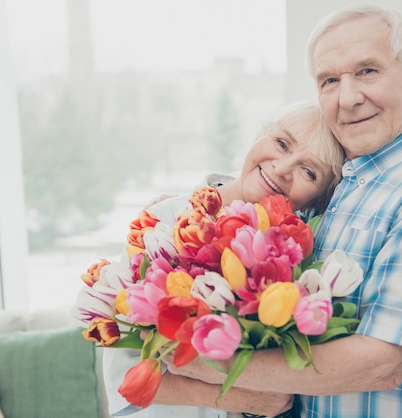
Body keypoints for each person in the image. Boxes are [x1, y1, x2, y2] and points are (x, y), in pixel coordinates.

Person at [163, 4, 402, 418]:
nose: (348, 98)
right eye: (329, 80)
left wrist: (211, 364)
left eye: (367, 71)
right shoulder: (334, 188)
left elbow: (382, 363)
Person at [101, 100, 345, 418]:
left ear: (318, 199)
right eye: (282, 143)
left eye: (309, 171)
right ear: (261, 135)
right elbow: (124, 381)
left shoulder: (297, 265)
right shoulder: (163, 222)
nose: (283, 169)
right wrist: (238, 399)